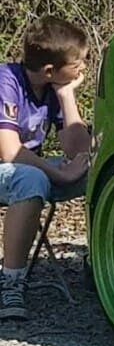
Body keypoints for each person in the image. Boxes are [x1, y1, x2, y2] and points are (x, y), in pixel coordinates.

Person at [0, 16, 93, 321]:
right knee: (31, 178)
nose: (83, 67)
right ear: (50, 70)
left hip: (28, 172)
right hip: (12, 168)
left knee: (98, 169)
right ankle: (10, 282)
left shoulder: (54, 87)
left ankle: (99, 264)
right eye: (76, 62)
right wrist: (61, 174)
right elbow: (10, 152)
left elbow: (78, 151)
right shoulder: (7, 82)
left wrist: (67, 96)